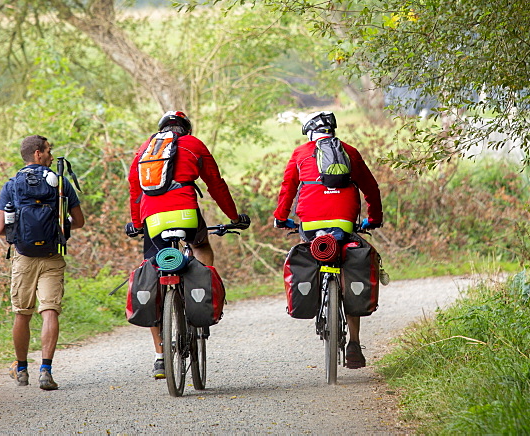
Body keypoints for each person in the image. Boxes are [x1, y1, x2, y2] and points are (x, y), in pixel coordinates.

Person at [125, 110, 250, 379]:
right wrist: (233, 217)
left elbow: (135, 189)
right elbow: (215, 184)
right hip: (186, 214)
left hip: (153, 220)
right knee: (201, 247)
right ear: (186, 129)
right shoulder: (194, 145)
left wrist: (137, 223)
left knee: (154, 270)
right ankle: (203, 298)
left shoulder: (145, 149)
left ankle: (160, 356)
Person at [272, 110, 383, 369]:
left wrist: (280, 217)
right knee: (350, 267)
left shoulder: (301, 153)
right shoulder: (350, 152)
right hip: (344, 223)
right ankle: (353, 343)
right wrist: (373, 219)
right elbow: (371, 189)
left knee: (313, 252)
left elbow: (288, 189)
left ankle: (318, 295)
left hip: (311, 225)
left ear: (309, 132)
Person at [0, 134, 84, 391]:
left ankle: (21, 369)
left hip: (23, 257)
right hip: (53, 255)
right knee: (50, 311)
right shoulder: (60, 184)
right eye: (48, 150)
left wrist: (20, 229)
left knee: (22, 314)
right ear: (37, 154)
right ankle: (46, 370)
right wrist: (59, 224)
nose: (51, 155)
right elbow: (79, 221)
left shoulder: (11, 185)